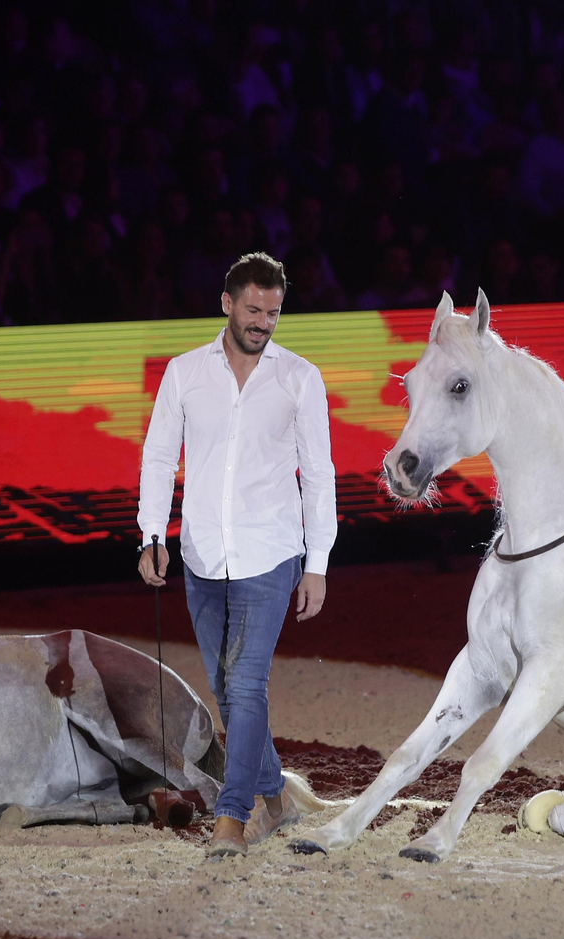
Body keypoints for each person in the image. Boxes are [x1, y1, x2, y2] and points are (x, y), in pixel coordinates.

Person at [137, 252, 335, 858]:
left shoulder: (298, 377)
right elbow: (158, 456)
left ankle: (233, 816)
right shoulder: (185, 373)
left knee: (247, 684)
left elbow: (319, 476)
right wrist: (153, 533)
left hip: (271, 552)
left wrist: (318, 563)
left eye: (273, 312)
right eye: (253, 310)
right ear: (227, 304)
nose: (264, 322)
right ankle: (276, 796)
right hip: (201, 555)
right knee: (227, 690)